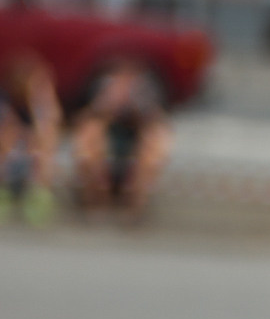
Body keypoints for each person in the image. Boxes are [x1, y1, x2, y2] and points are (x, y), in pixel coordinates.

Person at [69, 58, 169, 217]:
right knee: (90, 134)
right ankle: (97, 198)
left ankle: (135, 203)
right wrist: (107, 107)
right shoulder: (102, 89)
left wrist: (136, 111)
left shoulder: (145, 92)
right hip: (105, 143)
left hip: (136, 143)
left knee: (154, 139)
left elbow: (157, 120)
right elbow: (81, 119)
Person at [1, 49, 60, 225]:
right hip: (11, 149)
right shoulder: (7, 100)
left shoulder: (40, 104)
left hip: (31, 149)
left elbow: (48, 127)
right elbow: (8, 128)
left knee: (46, 142)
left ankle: (38, 193)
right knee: (9, 137)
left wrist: (41, 102)